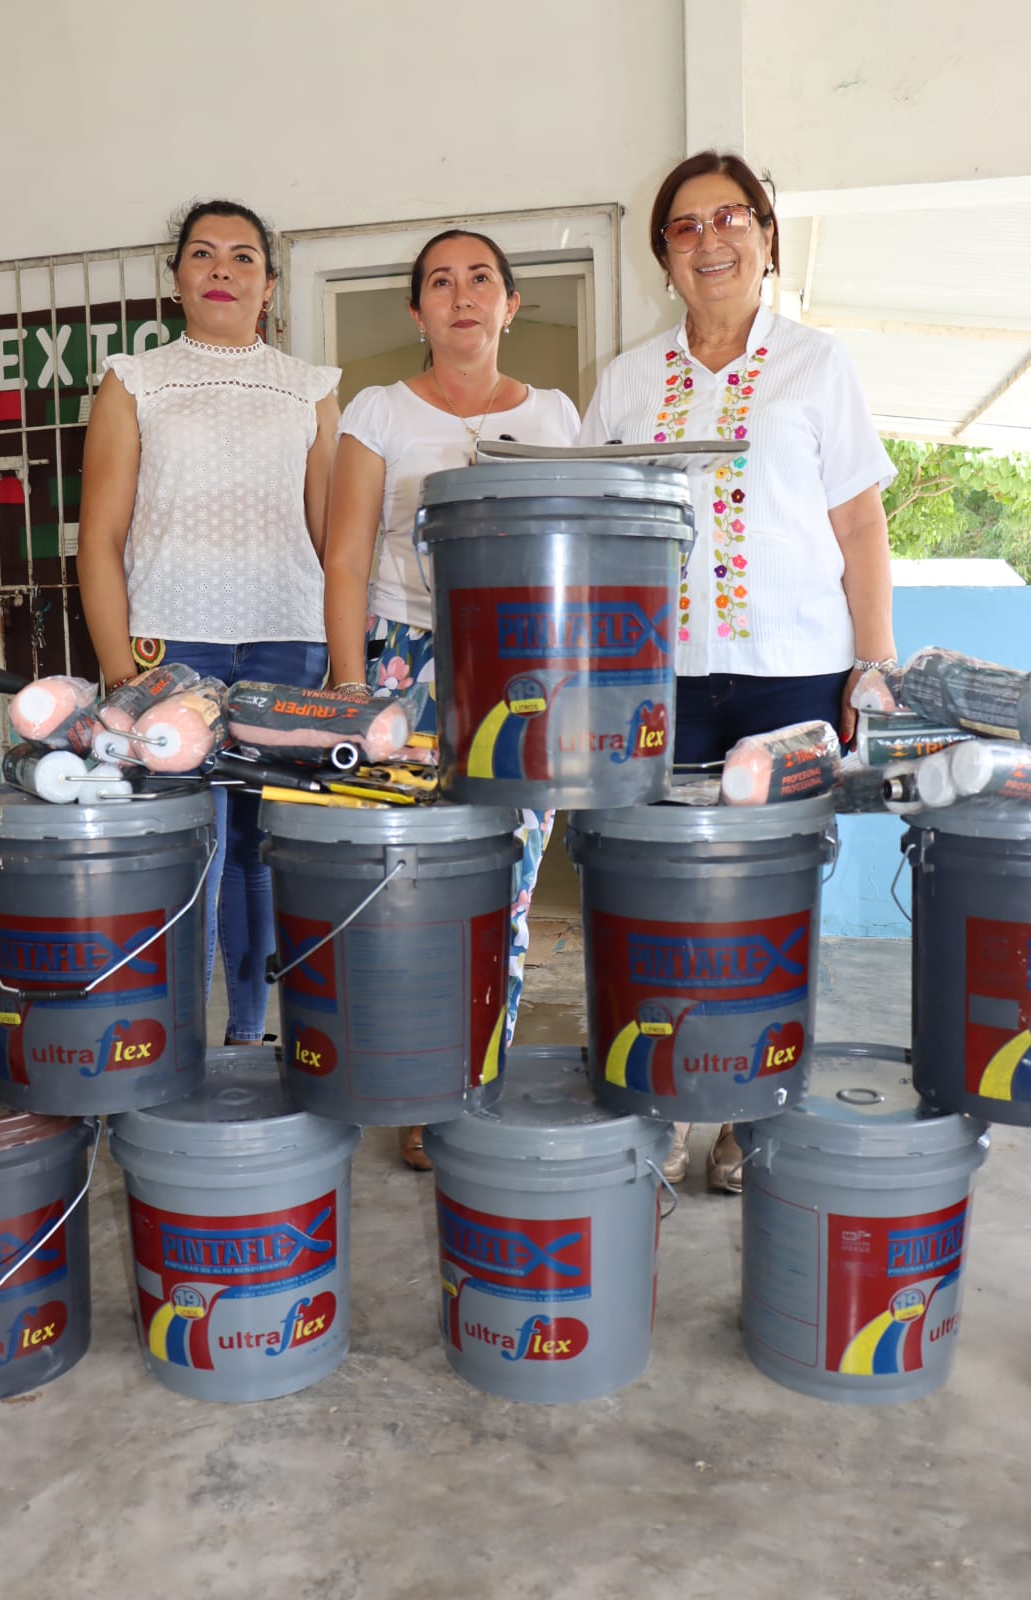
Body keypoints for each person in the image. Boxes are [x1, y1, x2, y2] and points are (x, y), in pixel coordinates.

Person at [580, 150, 896, 1192]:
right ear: (662, 254)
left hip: (792, 678)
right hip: (655, 681)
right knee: (663, 898)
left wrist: (872, 661)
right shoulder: (627, 380)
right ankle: (672, 1101)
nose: (708, 239)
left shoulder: (816, 363)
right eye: (684, 226)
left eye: (730, 219)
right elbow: (590, 530)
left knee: (774, 900)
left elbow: (857, 521)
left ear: (763, 235)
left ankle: (752, 1111)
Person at [324, 227, 580, 1169]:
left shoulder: (558, 417)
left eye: (482, 280)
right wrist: (351, 688)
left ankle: (473, 1077)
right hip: (404, 663)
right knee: (403, 874)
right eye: (441, 281)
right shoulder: (380, 410)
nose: (462, 295)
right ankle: (406, 1071)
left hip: (523, 676)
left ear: (511, 304)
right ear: (417, 311)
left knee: (506, 881)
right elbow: (347, 557)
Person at [77, 199, 340, 1045]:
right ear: (179, 280)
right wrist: (121, 673)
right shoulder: (135, 381)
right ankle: (174, 1040)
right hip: (168, 649)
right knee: (186, 845)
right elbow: (101, 537)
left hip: (285, 642)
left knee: (262, 852)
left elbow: (334, 543)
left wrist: (346, 667)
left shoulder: (312, 388)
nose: (222, 269)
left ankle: (249, 1038)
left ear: (267, 285)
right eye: (203, 254)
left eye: (242, 257)